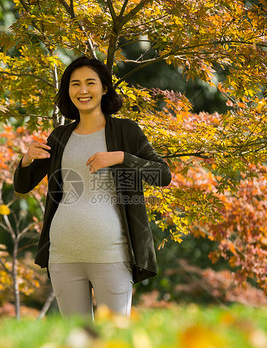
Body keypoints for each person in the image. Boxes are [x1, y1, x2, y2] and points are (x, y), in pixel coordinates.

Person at [14, 56, 171, 318]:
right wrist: (26, 159)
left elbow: (162, 175)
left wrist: (120, 157)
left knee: (115, 339)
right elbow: (23, 185)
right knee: (77, 339)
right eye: (75, 84)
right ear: (68, 91)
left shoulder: (126, 131)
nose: (83, 90)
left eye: (90, 83)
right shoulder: (60, 136)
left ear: (104, 88)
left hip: (111, 253)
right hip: (63, 254)